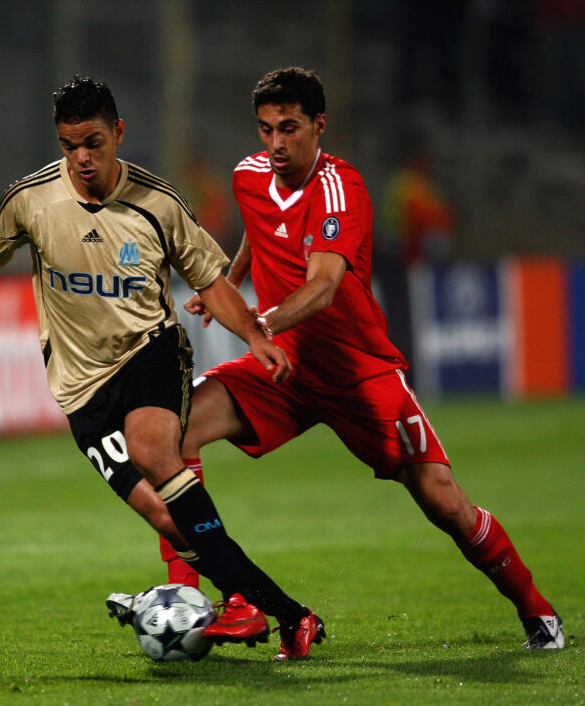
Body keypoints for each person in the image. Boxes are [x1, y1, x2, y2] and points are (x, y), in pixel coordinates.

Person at [0, 75, 323, 653]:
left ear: (118, 132)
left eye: (93, 142)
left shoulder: (159, 204)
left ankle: (241, 606)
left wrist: (252, 333)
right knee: (170, 520)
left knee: (153, 452)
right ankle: (287, 614)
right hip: (80, 390)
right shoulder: (29, 200)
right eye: (70, 146)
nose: (82, 158)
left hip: (150, 352)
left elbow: (211, 281)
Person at [173, 66, 563, 651]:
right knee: (173, 430)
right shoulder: (248, 176)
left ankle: (538, 612)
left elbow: (324, 286)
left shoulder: (342, 189)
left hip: (358, 373)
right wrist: (224, 284)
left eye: (289, 128)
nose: (276, 144)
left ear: (318, 125)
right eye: (265, 130)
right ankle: (193, 600)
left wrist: (255, 323)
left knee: (444, 503)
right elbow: (258, 230)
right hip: (285, 370)